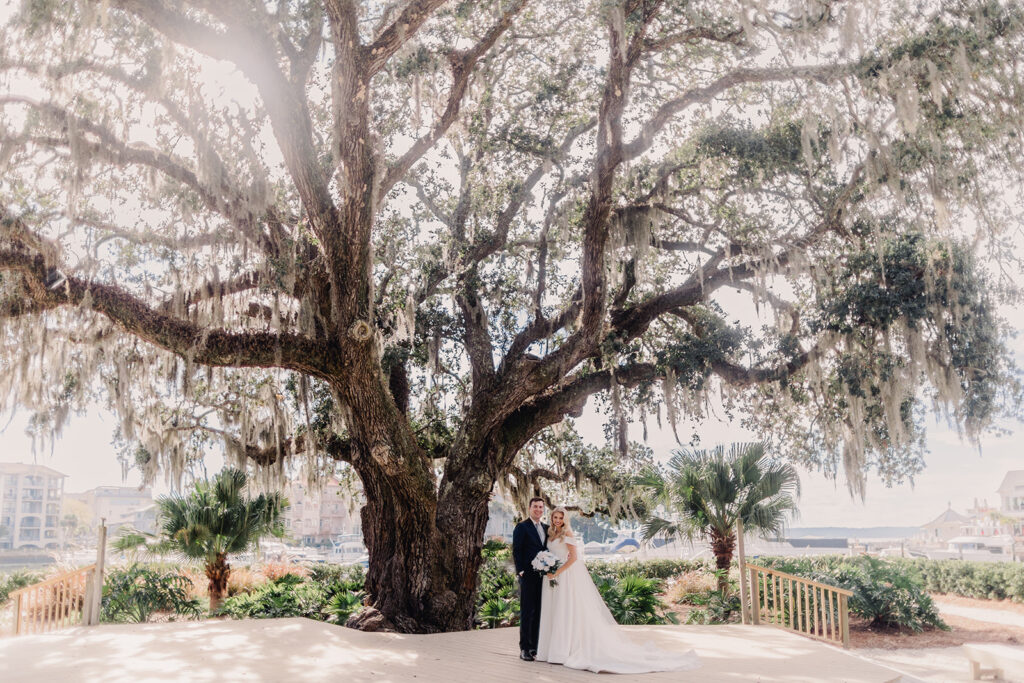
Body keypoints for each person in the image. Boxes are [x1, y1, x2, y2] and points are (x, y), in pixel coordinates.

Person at [535, 507, 701, 674]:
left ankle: (562, 650)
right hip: (551, 578)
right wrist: (547, 566)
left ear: (565, 519)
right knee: (553, 611)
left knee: (565, 611)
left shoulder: (568, 534)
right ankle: (550, 649)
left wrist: (556, 572)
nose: (557, 520)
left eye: (560, 517)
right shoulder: (551, 534)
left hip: (564, 577)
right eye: (555, 517)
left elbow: (574, 559)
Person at [511, 497, 547, 661]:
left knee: (539, 611)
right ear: (529, 508)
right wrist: (521, 572)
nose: (538, 509)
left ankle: (535, 647)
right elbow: (517, 550)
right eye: (535, 507)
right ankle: (524, 648)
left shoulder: (547, 528)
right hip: (528, 576)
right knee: (527, 612)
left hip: (543, 577)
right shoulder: (522, 527)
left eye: (541, 507)